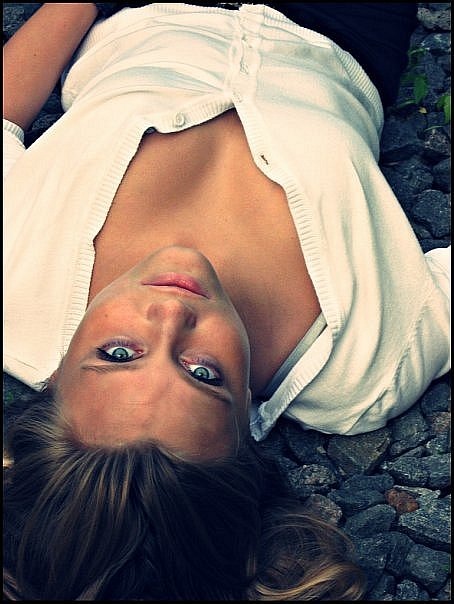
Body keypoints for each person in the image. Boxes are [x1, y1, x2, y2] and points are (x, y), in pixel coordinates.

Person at [3, 2, 450, 600]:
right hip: (345, 26)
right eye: (202, 373)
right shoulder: (362, 369)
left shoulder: (16, 292)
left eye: (117, 353)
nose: (171, 315)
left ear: (55, 379)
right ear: (246, 431)